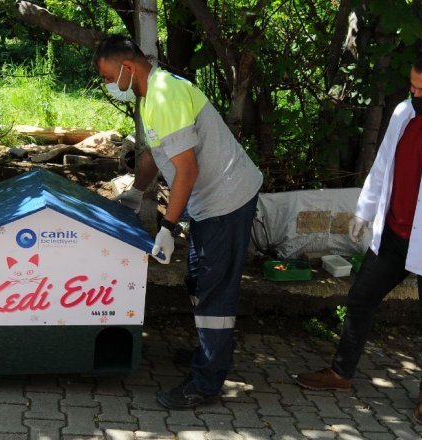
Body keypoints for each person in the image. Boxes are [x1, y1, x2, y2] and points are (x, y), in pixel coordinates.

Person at [294, 45, 422, 425]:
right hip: (394, 235)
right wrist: (364, 210)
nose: (415, 97)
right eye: (412, 88)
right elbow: (383, 163)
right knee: (359, 299)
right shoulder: (403, 113)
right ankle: (340, 373)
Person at [92, 36, 263, 409]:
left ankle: (206, 383)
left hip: (226, 199)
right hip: (212, 201)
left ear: (129, 67)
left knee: (213, 286)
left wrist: (167, 227)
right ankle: (209, 354)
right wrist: (136, 191)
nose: (109, 86)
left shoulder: (164, 96)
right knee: (200, 278)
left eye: (109, 77)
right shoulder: (151, 94)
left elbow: (187, 169)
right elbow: (157, 152)